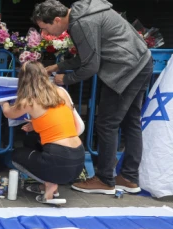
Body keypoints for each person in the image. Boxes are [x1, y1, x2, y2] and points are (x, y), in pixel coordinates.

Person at [32, 0, 152, 195]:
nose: (47, 35)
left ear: (57, 19)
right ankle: (129, 177)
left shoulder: (81, 23)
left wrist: (67, 79)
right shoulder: (86, 12)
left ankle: (105, 180)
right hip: (142, 61)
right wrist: (58, 66)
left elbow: (91, 65)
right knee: (131, 122)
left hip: (125, 69)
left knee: (107, 124)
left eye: (46, 28)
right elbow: (89, 54)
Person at [0, 61, 85, 205]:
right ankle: (51, 182)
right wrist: (36, 123)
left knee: (15, 156)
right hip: (78, 159)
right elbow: (64, 117)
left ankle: (50, 184)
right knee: (31, 142)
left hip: (58, 157)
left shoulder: (29, 100)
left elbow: (9, 113)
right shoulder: (61, 92)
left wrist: (2, 101)